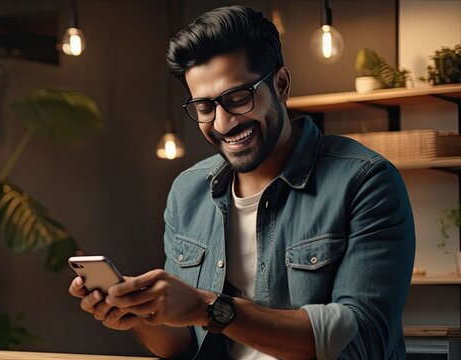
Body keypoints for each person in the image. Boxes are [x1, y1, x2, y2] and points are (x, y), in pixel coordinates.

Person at [68, 5, 415, 359]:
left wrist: (209, 308)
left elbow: (363, 342)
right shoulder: (188, 192)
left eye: (237, 99)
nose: (222, 123)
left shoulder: (365, 181)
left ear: (280, 84)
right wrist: (139, 316)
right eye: (205, 107)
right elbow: (184, 345)